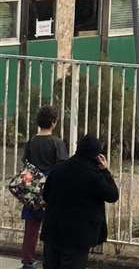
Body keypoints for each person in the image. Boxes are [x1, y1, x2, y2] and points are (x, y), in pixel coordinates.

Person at [38, 134, 118, 269]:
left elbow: (46, 195)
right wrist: (105, 171)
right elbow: (112, 195)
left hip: (53, 231)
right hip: (78, 237)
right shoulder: (94, 175)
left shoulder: (58, 169)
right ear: (97, 155)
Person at [17, 105, 67, 269]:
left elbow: (25, 164)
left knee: (31, 228)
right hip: (51, 192)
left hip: (32, 191)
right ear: (54, 122)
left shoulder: (31, 142)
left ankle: (27, 261)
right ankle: (50, 260)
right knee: (52, 228)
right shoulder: (57, 143)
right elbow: (62, 167)